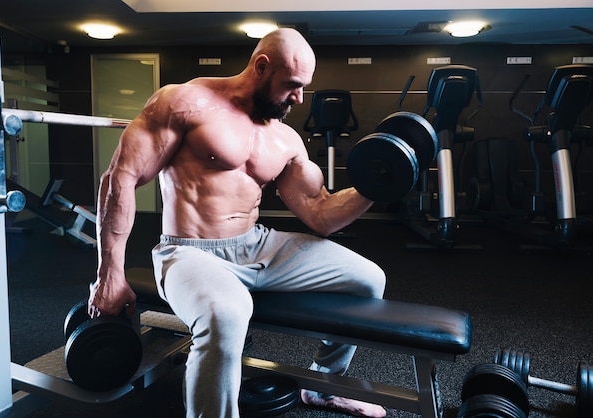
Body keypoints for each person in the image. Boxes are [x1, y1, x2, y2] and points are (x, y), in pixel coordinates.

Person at [88, 28, 387, 418]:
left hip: (257, 244)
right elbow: (119, 178)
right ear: (261, 67)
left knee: (368, 280)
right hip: (189, 251)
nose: (299, 98)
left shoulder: (285, 139)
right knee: (226, 313)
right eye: (292, 85)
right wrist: (110, 272)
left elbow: (321, 213)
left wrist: (376, 183)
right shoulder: (184, 103)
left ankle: (321, 385)